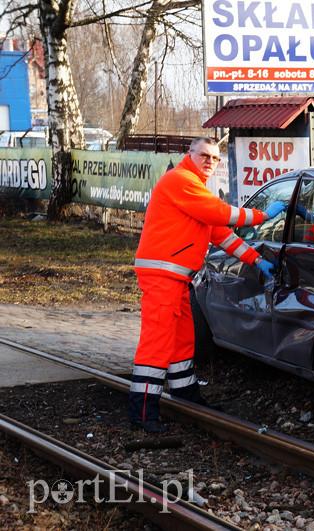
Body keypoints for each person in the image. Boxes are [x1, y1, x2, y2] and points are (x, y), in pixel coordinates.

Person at [129, 137, 284, 432]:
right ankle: (143, 412)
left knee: (182, 339)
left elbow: (220, 233)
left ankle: (185, 394)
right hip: (163, 277)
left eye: (215, 158)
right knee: (157, 343)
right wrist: (264, 215)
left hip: (176, 278)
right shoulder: (181, 180)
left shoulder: (194, 190)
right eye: (205, 156)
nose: (210, 162)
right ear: (190, 154)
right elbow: (224, 215)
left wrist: (255, 260)